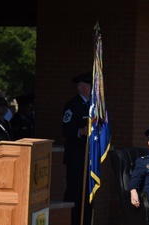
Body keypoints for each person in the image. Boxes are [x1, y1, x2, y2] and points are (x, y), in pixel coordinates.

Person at [62, 72, 92, 225]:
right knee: (75, 193)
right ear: (81, 87)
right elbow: (66, 130)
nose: (93, 88)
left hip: (89, 157)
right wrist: (80, 131)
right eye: (90, 85)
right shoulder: (72, 106)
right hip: (76, 158)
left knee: (88, 195)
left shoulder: (93, 106)